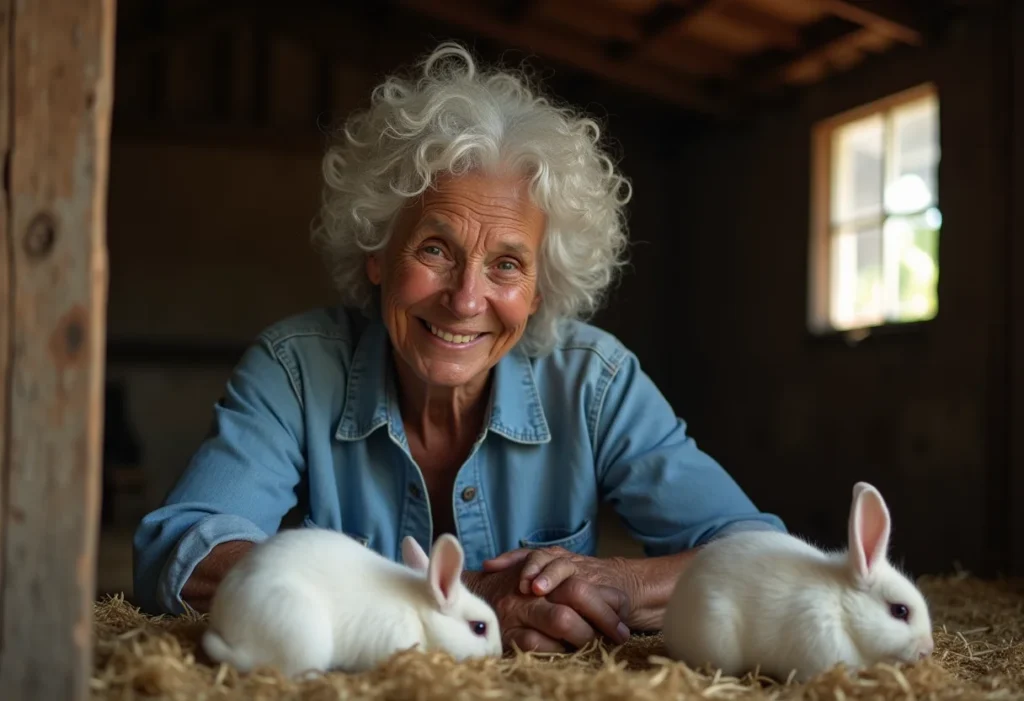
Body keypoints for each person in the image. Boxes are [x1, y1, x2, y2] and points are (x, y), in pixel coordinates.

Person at [132, 41, 786, 653]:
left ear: (539, 290)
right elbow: (180, 551)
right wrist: (456, 596)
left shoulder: (595, 379)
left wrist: (622, 582)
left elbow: (760, 556)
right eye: (437, 248)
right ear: (377, 254)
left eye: (507, 265)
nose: (466, 299)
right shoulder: (298, 367)